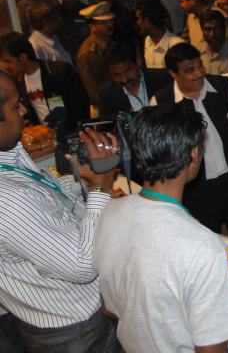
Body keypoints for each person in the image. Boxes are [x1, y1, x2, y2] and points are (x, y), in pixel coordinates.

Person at [94, 103, 228, 352]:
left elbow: (109, 307)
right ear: (194, 155)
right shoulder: (203, 246)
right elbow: (210, 348)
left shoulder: (108, 212)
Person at [0, 70, 121, 352]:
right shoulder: (7, 199)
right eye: (15, 105)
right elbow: (81, 266)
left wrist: (84, 179)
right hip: (75, 328)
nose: (23, 111)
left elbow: (47, 196)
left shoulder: (10, 155)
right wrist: (101, 188)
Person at [151, 43, 228, 243]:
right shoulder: (162, 103)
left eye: (200, 65)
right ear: (174, 74)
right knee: (207, 240)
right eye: (190, 70)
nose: (200, 73)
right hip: (197, 190)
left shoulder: (221, 85)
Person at [0, 32, 89, 134]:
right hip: (45, 138)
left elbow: (80, 105)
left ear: (23, 57)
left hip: (72, 134)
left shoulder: (59, 71)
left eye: (8, 61)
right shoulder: (20, 83)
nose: (5, 67)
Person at [99, 42, 172, 116]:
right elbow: (105, 125)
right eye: (117, 74)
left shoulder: (164, 79)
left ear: (138, 61)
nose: (124, 79)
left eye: (127, 70)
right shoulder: (108, 93)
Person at [77, 1, 115, 115]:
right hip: (104, 109)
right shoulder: (88, 52)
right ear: (91, 26)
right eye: (103, 22)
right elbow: (93, 90)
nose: (110, 25)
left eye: (111, 20)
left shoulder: (108, 41)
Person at [139, 0, 185, 69]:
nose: (138, 22)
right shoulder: (148, 41)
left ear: (147, 22)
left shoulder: (177, 45)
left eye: (139, 19)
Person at [198, 9, 228, 75]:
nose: (212, 34)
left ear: (224, 29)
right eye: (208, 29)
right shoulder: (196, 53)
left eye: (217, 29)